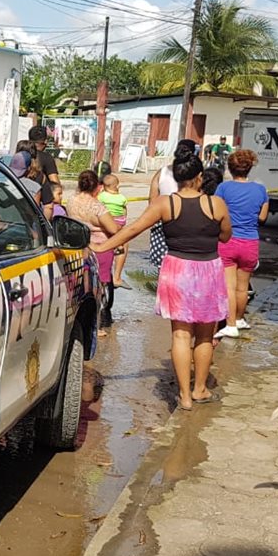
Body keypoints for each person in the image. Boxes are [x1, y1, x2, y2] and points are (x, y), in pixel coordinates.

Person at [93, 151, 231, 411]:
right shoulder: (216, 204)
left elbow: (133, 229)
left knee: (180, 335)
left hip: (177, 269)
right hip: (208, 270)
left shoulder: (165, 204)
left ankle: (184, 397)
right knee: (204, 335)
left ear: (176, 177)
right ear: (200, 177)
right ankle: (199, 389)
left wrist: (101, 248)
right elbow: (225, 236)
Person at [215, 149, 270, 339]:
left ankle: (229, 324)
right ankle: (239, 318)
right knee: (242, 286)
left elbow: (216, 213)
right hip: (250, 241)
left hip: (228, 240)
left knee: (228, 286)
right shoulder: (261, 190)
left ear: (230, 168)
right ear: (249, 168)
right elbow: (262, 217)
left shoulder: (223, 188)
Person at [67, 170, 121, 335]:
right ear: (97, 187)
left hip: (79, 245)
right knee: (99, 288)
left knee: (81, 285)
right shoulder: (97, 206)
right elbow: (112, 228)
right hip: (100, 247)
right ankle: (95, 325)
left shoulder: (71, 201)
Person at [147, 138, 198, 271]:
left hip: (162, 223)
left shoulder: (161, 172)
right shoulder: (196, 175)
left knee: (163, 269)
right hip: (189, 224)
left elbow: (152, 200)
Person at [98, 173, 129, 286]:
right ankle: (117, 277)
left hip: (106, 221)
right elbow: (124, 210)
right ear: (116, 186)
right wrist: (123, 220)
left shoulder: (101, 196)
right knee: (122, 241)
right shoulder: (121, 198)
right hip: (119, 222)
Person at [29, 126, 60, 209]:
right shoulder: (47, 158)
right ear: (45, 141)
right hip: (40, 203)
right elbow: (55, 183)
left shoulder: (22, 155)